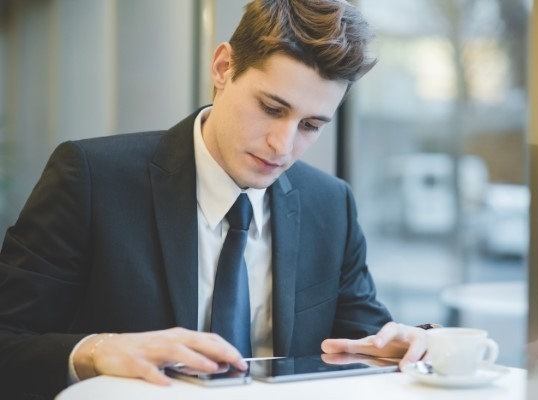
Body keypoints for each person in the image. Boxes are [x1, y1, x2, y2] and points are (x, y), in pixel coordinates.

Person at [0, 1, 432, 398]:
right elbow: (8, 343)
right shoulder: (92, 178)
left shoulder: (330, 205)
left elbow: (370, 341)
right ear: (223, 67)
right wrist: (97, 352)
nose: (282, 146)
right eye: (271, 108)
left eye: (311, 126)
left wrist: (411, 344)